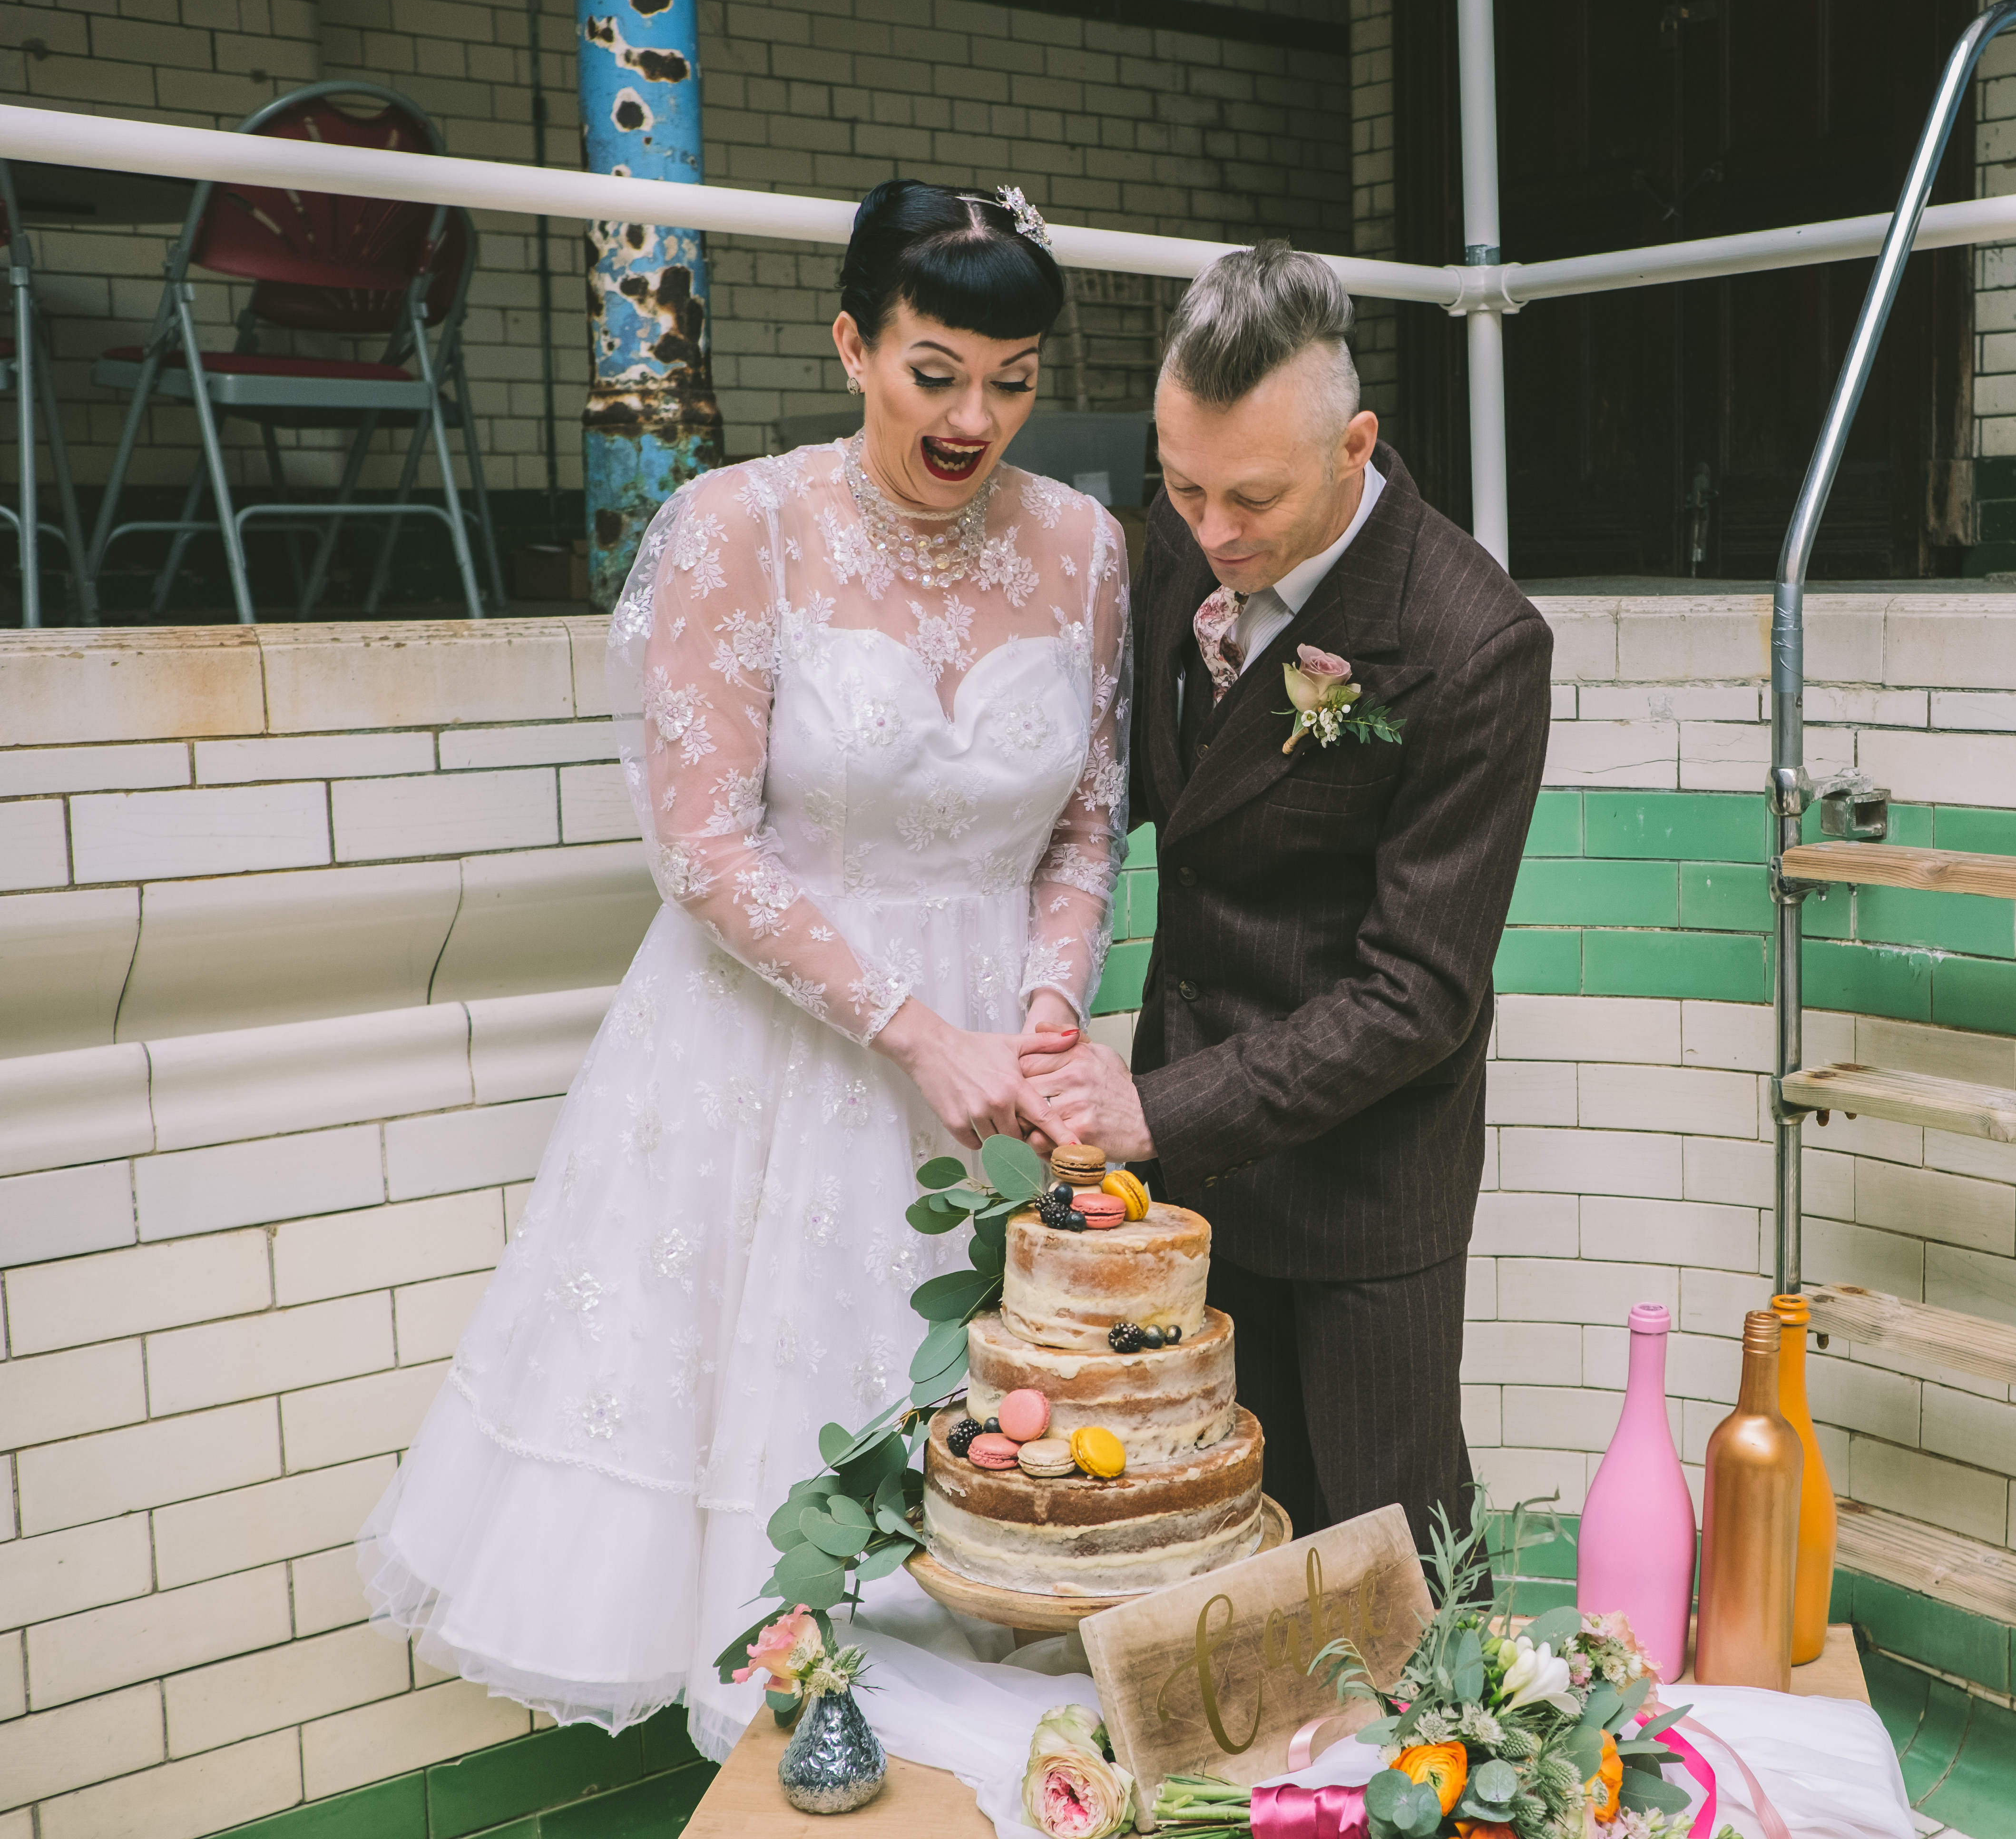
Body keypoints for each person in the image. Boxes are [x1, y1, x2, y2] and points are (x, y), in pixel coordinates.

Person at [357, 182, 1128, 1759]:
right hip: (779, 1051)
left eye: (1014, 378)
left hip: (1003, 1065)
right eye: (936, 370)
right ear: (853, 345)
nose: (975, 414)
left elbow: (1089, 831)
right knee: (790, 1395)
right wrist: (915, 1032)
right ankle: (802, 1733)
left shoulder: (1089, 548)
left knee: (1001, 1436)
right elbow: (701, 848)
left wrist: (1046, 1019)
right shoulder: (739, 526)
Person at [1025, 243, 1552, 1552]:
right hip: (1193, 1179)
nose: (1211, 534)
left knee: (1385, 1563)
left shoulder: (1473, 642)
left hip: (1362, 1186)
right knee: (1208, 1539)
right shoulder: (1181, 551)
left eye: (1250, 498)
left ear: (1355, 444)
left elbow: (1420, 995)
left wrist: (1156, 1106)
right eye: (1183, 486)